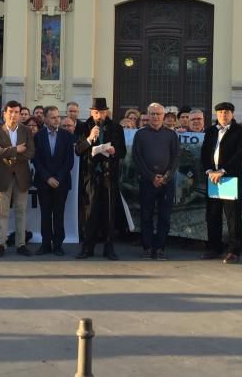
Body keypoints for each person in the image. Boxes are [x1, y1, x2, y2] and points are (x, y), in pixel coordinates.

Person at [75, 97, 126, 260]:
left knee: (109, 214)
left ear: (107, 112)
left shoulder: (116, 128)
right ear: (91, 112)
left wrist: (113, 151)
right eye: (96, 112)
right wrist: (90, 138)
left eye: (102, 112)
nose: (99, 115)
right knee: (90, 213)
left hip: (109, 176)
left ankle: (109, 248)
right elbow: (78, 150)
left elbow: (123, 152)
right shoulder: (83, 127)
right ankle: (87, 248)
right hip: (90, 176)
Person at [201, 102, 242, 264]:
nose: (223, 115)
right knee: (213, 214)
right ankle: (214, 247)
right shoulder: (210, 131)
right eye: (220, 112)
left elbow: (240, 154)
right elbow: (205, 153)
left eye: (227, 112)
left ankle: (234, 250)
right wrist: (209, 171)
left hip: (230, 177)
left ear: (232, 114)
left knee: (232, 216)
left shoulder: (241, 132)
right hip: (212, 177)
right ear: (216, 114)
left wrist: (222, 171)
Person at [132, 102, 179, 260]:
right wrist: (152, 177)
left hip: (167, 182)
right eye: (152, 114)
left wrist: (166, 177)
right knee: (146, 215)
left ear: (164, 116)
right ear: (147, 115)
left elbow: (176, 158)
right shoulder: (140, 134)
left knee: (164, 216)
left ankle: (160, 248)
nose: (155, 117)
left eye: (158, 114)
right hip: (147, 182)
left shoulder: (171, 135)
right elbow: (137, 158)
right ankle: (147, 247)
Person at [0, 100, 35, 257]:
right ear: (4, 113)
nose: (14, 115)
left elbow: (30, 152)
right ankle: (1, 244)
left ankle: (21, 244)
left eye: (16, 112)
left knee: (21, 211)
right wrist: (16, 150)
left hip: (21, 176)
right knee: (2, 212)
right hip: (3, 176)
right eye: (11, 112)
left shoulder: (26, 131)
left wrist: (8, 153)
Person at [33, 106, 75, 256]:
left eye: (58, 116)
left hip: (61, 182)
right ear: (45, 119)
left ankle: (58, 245)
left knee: (59, 214)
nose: (57, 119)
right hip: (44, 182)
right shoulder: (38, 136)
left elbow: (69, 161)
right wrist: (47, 178)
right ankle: (45, 245)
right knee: (45, 214)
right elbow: (36, 160)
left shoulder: (67, 136)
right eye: (53, 117)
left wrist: (58, 178)